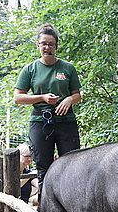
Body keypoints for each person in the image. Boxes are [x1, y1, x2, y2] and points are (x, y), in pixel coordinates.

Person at [13, 23, 82, 195]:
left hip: (65, 121)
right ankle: (46, 210)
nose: (47, 47)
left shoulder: (67, 68)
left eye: (51, 44)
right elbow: (18, 97)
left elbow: (77, 95)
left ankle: (71, 208)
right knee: (43, 167)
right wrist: (42, 98)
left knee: (71, 164)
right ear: (38, 45)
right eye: (43, 43)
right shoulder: (30, 69)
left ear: (56, 46)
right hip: (40, 122)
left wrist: (68, 100)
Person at [18, 143, 39, 212]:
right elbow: (15, 186)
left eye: (31, 156)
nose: (30, 159)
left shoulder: (28, 173)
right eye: (27, 156)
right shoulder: (8, 172)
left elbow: (38, 185)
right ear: (18, 155)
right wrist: (30, 175)